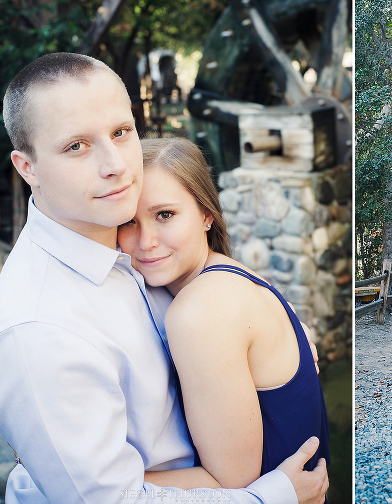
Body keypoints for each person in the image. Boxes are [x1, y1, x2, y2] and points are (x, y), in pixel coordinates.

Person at [0, 52, 327, 504]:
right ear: (27, 167)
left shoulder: (126, 246)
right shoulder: (40, 326)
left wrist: (277, 334)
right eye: (76, 145)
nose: (114, 164)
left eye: (121, 132)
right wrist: (268, 497)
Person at [117, 137, 331, 489]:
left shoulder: (201, 309)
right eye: (129, 221)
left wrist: (85, 484)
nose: (146, 241)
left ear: (206, 215)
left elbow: (231, 482)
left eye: (165, 214)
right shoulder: (234, 277)